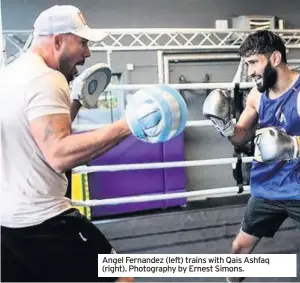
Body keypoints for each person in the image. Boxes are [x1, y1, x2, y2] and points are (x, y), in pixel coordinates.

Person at [0, 4, 169, 282]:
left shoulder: (10, 74)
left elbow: (36, 142)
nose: (87, 53)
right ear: (57, 41)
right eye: (82, 43)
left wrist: (75, 102)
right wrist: (128, 124)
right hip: (42, 218)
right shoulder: (47, 78)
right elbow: (58, 154)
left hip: (7, 223)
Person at [203, 30, 300, 282]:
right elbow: (242, 135)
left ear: (275, 58)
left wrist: (293, 145)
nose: (250, 72)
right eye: (246, 64)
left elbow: (288, 145)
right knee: (239, 250)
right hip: (267, 188)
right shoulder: (258, 95)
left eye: (254, 63)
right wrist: (225, 126)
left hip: (299, 189)